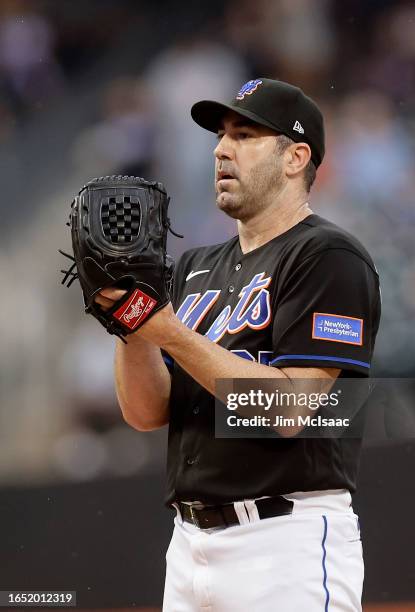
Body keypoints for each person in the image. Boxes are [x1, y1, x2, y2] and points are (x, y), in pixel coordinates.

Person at [96, 78, 381, 611]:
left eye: (244, 134)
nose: (221, 149)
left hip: (285, 544)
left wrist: (167, 330)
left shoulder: (328, 257)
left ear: (296, 157)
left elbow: (291, 407)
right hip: (188, 545)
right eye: (221, 135)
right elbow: (146, 411)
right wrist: (129, 324)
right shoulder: (194, 266)